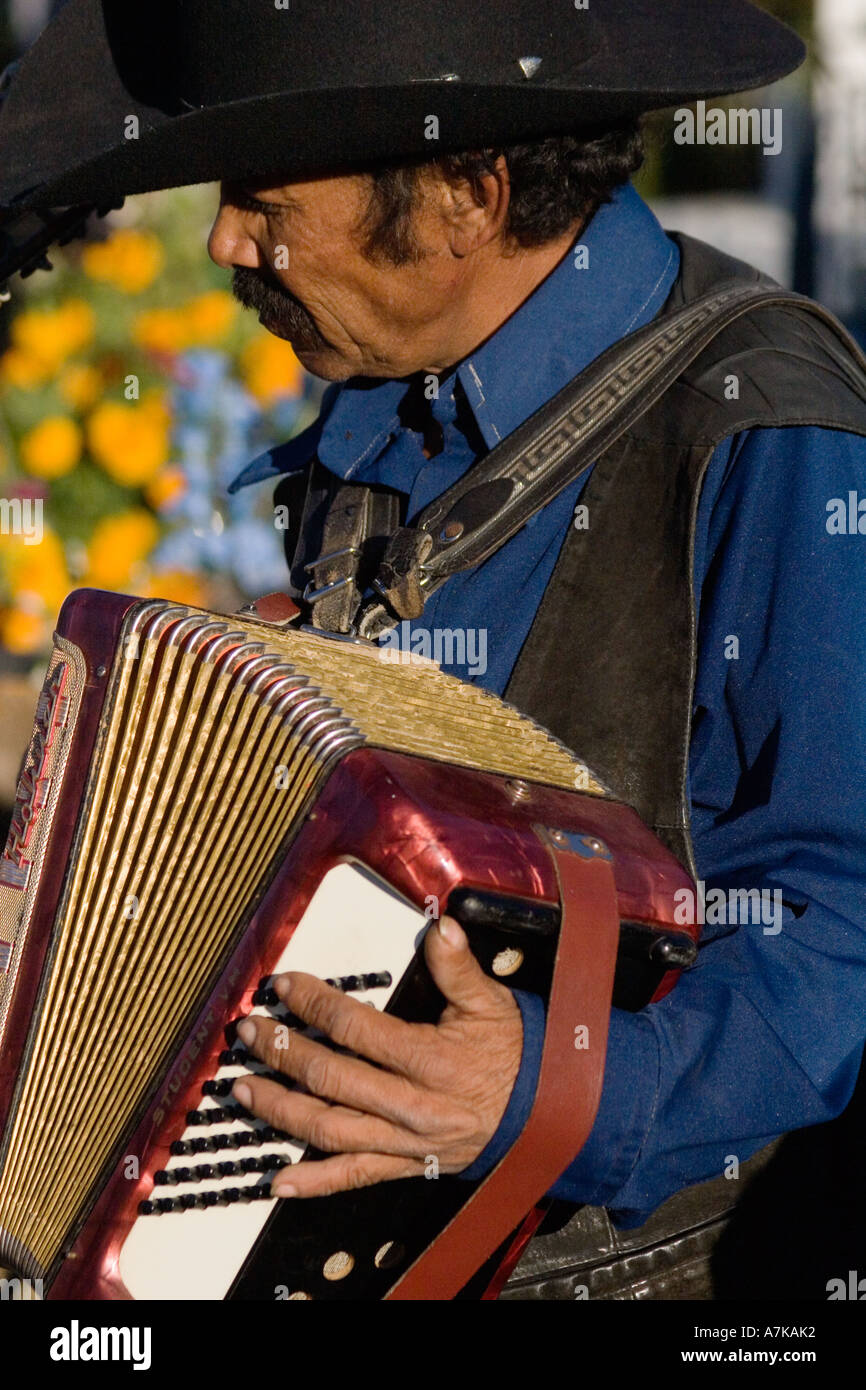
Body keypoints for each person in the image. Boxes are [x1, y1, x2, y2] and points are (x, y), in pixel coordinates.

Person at [1, 0, 864, 1299]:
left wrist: (548, 1082)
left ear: (467, 192)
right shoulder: (387, 383)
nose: (227, 236)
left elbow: (843, 927)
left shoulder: (769, 433)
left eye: (261, 192)